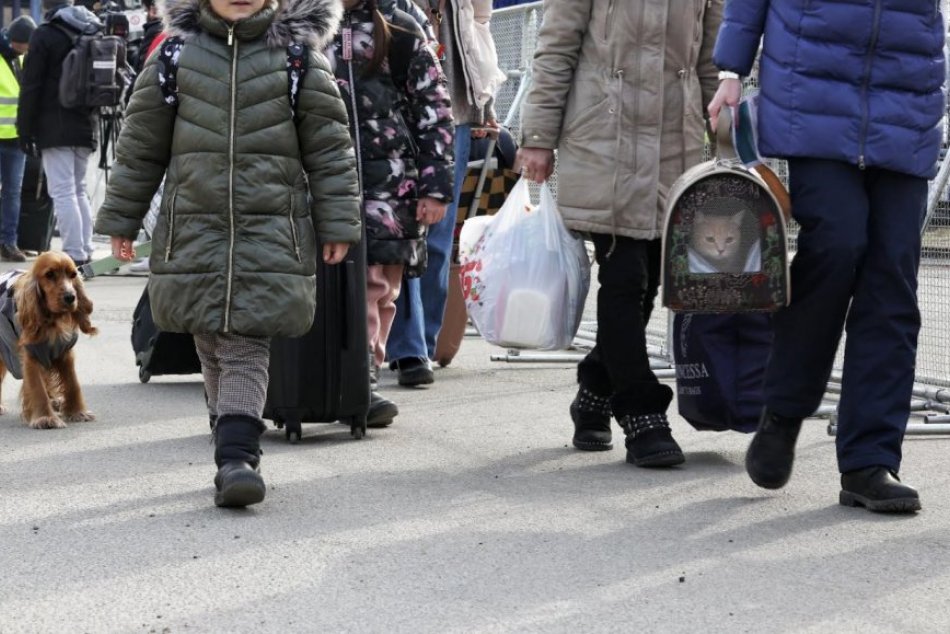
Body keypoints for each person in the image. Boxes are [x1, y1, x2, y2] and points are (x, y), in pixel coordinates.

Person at [94, 0, 361, 508]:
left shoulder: (298, 60)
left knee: (243, 342)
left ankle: (237, 458)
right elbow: (140, 147)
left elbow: (330, 150)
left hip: (272, 229)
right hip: (192, 228)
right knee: (209, 338)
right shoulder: (174, 56)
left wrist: (338, 223)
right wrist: (121, 220)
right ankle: (227, 433)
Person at [708, 1, 945, 512]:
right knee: (836, 248)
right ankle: (784, 410)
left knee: (892, 278)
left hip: (906, 96)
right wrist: (731, 69)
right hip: (812, 89)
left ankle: (870, 460)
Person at [517, 0, 723, 467]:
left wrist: (728, 144)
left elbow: (712, 61)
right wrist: (538, 137)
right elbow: (556, 50)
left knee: (648, 283)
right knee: (625, 278)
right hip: (604, 139)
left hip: (676, 146)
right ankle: (641, 412)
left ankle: (594, 389)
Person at [329, 0, 455, 425]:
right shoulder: (302, 28)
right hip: (324, 181)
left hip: (391, 186)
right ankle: (345, 378)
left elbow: (435, 111)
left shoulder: (400, 31)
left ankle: (364, 375)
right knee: (340, 285)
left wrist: (435, 188)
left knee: (381, 287)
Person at [385, 0, 504, 387]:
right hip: (391, 103)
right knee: (401, 230)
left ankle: (423, 340)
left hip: (454, 110)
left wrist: (484, 101)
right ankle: (408, 347)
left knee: (437, 234)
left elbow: (476, 32)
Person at [16, 0, 100, 267]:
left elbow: (31, 85)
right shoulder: (92, 28)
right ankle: (85, 247)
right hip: (87, 122)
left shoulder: (46, 33)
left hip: (55, 125)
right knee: (78, 188)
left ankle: (74, 252)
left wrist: (24, 129)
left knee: (62, 191)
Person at [0, 16, 36, 263]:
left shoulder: (22, 58)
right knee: (11, 192)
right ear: (16, 41)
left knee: (12, 193)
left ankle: (8, 242)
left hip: (15, 138)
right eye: (27, 45)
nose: (29, 49)